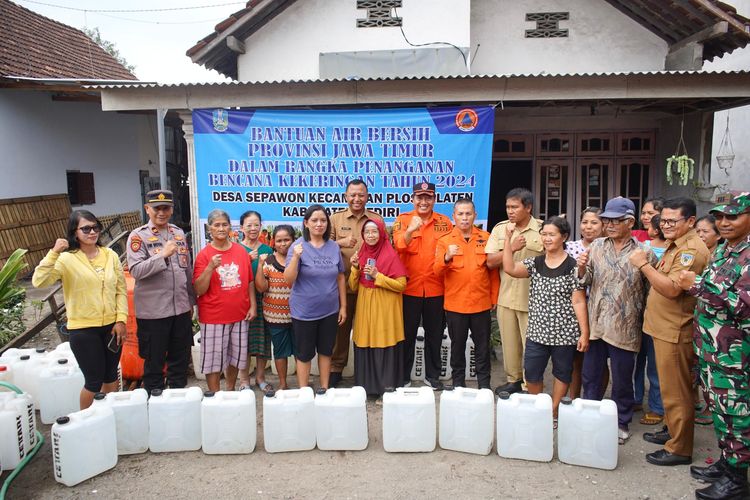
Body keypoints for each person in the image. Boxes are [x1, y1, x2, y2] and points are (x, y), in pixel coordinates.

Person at [678, 192, 750, 499]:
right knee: (721, 411)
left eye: (733, 217)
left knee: (736, 413)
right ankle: (726, 461)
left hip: (735, 355)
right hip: (712, 350)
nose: (724, 222)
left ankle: (737, 480)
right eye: (720, 216)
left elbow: (742, 306)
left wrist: (695, 285)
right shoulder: (724, 250)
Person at [630, 197, 709, 466]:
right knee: (668, 388)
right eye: (663, 220)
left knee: (677, 392)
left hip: (675, 330)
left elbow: (672, 289)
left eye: (672, 221)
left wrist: (643, 264)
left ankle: (679, 448)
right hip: (663, 327)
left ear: (690, 221)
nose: (665, 225)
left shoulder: (691, 252)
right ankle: (672, 431)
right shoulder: (677, 245)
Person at [577, 196, 656, 444]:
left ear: (630, 222)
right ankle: (590, 417)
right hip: (597, 324)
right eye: (606, 220)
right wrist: (581, 268)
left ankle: (621, 422)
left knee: (623, 379)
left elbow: (651, 290)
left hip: (625, 326)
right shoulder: (598, 246)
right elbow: (585, 281)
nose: (609, 225)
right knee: (591, 375)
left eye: (615, 220)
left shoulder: (644, 253)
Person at [32, 210, 127, 409]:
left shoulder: (110, 255)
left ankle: (110, 417)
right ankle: (86, 421)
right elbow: (39, 281)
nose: (92, 232)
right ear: (75, 232)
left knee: (111, 377)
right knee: (93, 382)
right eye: (86, 228)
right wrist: (54, 252)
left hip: (111, 327)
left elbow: (120, 290)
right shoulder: (66, 259)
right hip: (83, 330)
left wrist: (121, 320)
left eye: (95, 227)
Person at [502, 216, 589, 420]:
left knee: (562, 373)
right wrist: (508, 241)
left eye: (552, 234)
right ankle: (539, 407)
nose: (547, 238)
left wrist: (584, 333)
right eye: (544, 234)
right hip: (537, 332)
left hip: (565, 333)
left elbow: (578, 301)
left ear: (564, 237)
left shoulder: (573, 266)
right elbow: (510, 269)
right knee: (531, 373)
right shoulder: (536, 263)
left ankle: (555, 410)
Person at [127, 190, 195, 395]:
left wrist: (191, 301)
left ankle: (177, 400)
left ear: (172, 209)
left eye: (166, 208)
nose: (162, 212)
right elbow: (136, 270)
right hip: (154, 313)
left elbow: (187, 269)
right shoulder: (138, 236)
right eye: (157, 208)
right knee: (154, 363)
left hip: (180, 309)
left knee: (180, 360)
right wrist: (162, 256)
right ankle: (154, 402)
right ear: (148, 209)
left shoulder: (178, 233)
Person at [392, 182, 453, 390]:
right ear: (412, 199)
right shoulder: (403, 220)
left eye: (428, 197)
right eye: (419, 197)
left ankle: (433, 375)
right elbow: (399, 244)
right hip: (410, 288)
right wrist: (411, 229)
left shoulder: (444, 222)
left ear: (434, 200)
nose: (424, 201)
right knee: (407, 334)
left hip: (437, 287)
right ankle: (403, 375)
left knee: (435, 334)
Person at [434, 198, 499, 390]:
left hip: (481, 304)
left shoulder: (486, 238)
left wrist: (494, 297)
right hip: (456, 305)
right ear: (453, 216)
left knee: (482, 348)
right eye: (460, 214)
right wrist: (447, 257)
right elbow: (436, 271)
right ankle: (458, 385)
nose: (464, 218)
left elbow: (493, 272)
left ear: (475, 215)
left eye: (468, 213)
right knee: (457, 347)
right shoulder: (445, 241)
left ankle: (484, 386)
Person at [486, 188, 544, 395]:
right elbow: (490, 261)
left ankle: (531, 385)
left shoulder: (543, 230)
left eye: (515, 207)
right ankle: (514, 381)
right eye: (508, 207)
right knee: (510, 346)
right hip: (507, 296)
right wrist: (511, 247)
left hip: (533, 299)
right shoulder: (501, 229)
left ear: (528, 208)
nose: (510, 211)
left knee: (533, 347)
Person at [193, 209, 257, 392]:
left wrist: (253, 305)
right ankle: (214, 394)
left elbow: (249, 281)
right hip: (213, 316)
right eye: (216, 225)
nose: (221, 228)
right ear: (210, 229)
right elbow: (199, 289)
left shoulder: (241, 251)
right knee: (213, 360)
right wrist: (210, 267)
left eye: (224, 224)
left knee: (236, 357)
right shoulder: (204, 255)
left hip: (240, 315)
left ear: (230, 227)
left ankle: (229, 391)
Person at [329, 179, 384, 388]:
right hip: (341, 286)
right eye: (352, 194)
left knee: (366, 330)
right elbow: (321, 247)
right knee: (340, 331)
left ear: (367, 196)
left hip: (368, 287)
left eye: (361, 194)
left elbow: (384, 250)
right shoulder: (335, 219)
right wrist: (341, 243)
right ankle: (335, 370)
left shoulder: (376, 219)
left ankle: (366, 372)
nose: (356, 199)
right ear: (345, 196)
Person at [285, 204, 346, 389]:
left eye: (323, 220)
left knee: (326, 351)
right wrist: (295, 258)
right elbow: (289, 280)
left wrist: (343, 306)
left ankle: (324, 389)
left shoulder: (333, 247)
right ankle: (304, 390)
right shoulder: (297, 247)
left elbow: (340, 277)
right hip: (304, 312)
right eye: (314, 220)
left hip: (329, 311)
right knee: (304, 354)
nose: (319, 224)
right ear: (306, 223)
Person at [349, 218, 408, 397]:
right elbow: (353, 286)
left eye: (374, 231)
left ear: (382, 233)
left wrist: (378, 276)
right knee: (366, 341)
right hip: (366, 306)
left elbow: (401, 285)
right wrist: (354, 268)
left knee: (384, 342)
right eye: (367, 232)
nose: (371, 235)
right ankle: (367, 389)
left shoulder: (390, 255)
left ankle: (386, 389)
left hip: (385, 308)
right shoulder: (361, 253)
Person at [565, 206, 604, 399]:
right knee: (576, 358)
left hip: (600, 309)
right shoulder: (570, 247)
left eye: (594, 222)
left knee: (598, 359)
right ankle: (574, 398)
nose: (588, 227)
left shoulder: (608, 247)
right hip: (574, 308)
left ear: (603, 225)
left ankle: (595, 398)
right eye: (585, 222)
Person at [634, 214, 667, 426]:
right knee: (636, 361)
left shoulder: (672, 250)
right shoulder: (642, 246)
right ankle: (635, 398)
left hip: (658, 314)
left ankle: (656, 406)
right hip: (638, 313)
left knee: (655, 365)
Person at [256, 225, 296, 390]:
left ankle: (302, 384)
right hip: (275, 316)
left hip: (299, 315)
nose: (283, 244)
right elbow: (261, 287)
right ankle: (283, 384)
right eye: (279, 240)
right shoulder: (269, 261)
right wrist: (259, 265)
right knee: (280, 352)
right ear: (274, 242)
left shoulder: (298, 259)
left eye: (286, 240)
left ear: (293, 240)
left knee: (301, 351)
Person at [237, 210, 273, 392]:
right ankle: (244, 379)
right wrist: (244, 260)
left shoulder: (267, 250)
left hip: (263, 299)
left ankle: (260, 377)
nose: (253, 228)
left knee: (262, 340)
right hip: (242, 301)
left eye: (256, 224)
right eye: (249, 225)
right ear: (242, 227)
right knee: (244, 340)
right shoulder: (236, 249)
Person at [693, 213, 724, 426]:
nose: (700, 235)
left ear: (718, 235)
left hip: (722, 330)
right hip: (700, 322)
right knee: (699, 368)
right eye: (698, 231)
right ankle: (705, 403)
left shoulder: (723, 256)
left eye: (705, 231)